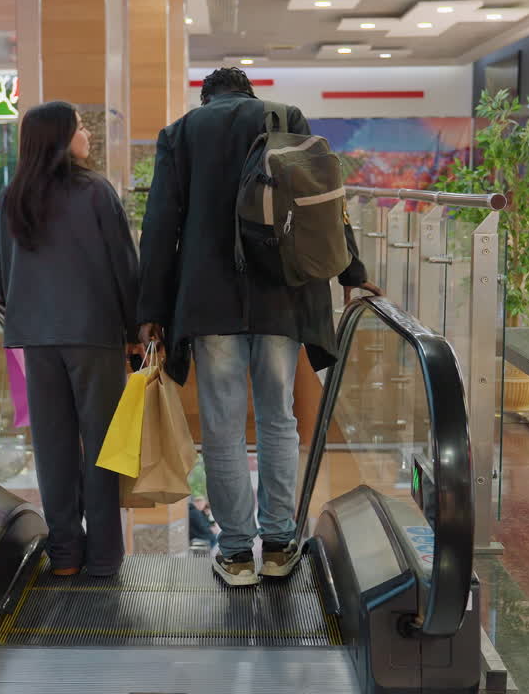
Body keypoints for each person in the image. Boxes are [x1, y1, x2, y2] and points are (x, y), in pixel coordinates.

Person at [137, 68, 381, 587]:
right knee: (278, 419)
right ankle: (277, 544)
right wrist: (352, 273)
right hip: (283, 296)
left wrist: (150, 308)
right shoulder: (283, 117)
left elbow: (160, 224)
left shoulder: (181, 132)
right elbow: (323, 200)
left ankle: (234, 553)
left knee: (222, 430)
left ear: (205, 96)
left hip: (209, 301)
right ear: (247, 91)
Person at [0, 101, 141, 578]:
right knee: (101, 447)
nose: (86, 137)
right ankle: (105, 557)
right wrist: (135, 329)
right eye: (79, 128)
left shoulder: (14, 196)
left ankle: (66, 555)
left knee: (52, 448)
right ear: (60, 137)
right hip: (94, 336)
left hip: (34, 336)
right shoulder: (94, 192)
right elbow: (124, 266)